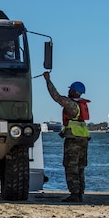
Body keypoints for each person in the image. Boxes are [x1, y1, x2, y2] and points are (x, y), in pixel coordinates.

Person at [43, 71, 90, 202]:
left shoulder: (71, 104)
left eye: (71, 90)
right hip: (83, 139)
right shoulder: (81, 105)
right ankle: (80, 193)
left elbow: (56, 96)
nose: (69, 92)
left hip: (73, 140)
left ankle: (74, 194)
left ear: (75, 92)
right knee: (80, 167)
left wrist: (48, 81)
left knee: (71, 167)